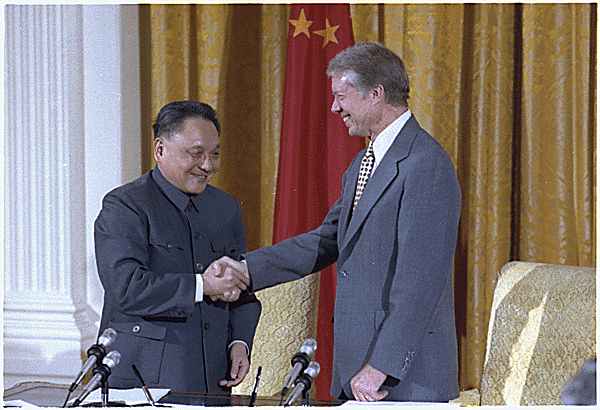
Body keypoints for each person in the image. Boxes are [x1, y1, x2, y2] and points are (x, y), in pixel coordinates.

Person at [211, 42, 461, 402]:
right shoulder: (364, 163)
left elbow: (420, 282)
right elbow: (325, 241)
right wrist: (246, 270)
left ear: (376, 94)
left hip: (400, 376)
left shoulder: (425, 164)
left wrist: (381, 367)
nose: (334, 107)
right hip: (358, 369)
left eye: (342, 96)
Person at [94, 100, 261, 394]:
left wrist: (239, 343)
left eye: (215, 154)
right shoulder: (125, 205)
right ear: (160, 150)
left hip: (214, 381)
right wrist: (202, 285)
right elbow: (126, 289)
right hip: (143, 383)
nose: (208, 166)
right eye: (196, 154)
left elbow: (242, 292)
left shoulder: (225, 207)